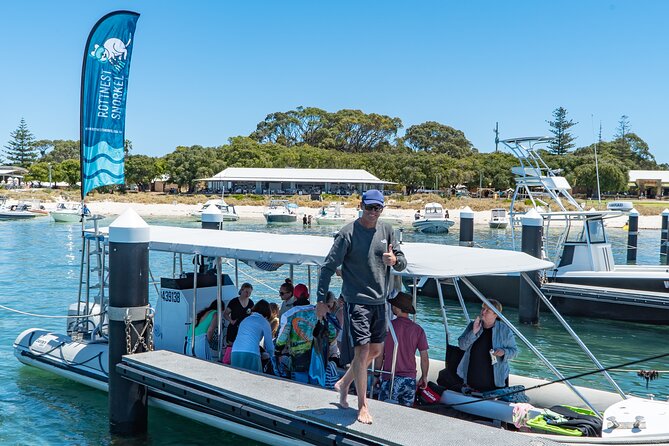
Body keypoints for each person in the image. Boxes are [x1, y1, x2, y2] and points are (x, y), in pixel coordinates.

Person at [316, 189, 407, 424]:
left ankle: (344, 382)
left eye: (378, 208)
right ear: (361, 205)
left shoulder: (387, 230)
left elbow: (402, 262)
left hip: (380, 302)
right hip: (356, 302)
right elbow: (327, 267)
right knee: (362, 352)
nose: (373, 213)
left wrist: (395, 261)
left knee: (376, 351)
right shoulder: (347, 233)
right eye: (369, 208)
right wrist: (319, 301)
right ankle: (363, 406)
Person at [374, 292, 428, 407]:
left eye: (394, 305)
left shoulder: (388, 327)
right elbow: (424, 358)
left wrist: (376, 375)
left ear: (397, 308)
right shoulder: (418, 330)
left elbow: (379, 355)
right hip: (410, 379)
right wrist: (424, 376)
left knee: (385, 411)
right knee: (405, 416)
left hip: (391, 378)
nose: (392, 307)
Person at [276, 284, 335, 383]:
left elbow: (282, 338)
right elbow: (332, 332)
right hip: (318, 357)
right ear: (308, 296)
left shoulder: (289, 314)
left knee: (302, 387)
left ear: (294, 297)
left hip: (298, 359)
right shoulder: (318, 311)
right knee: (317, 387)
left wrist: (277, 352)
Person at [457, 299, 518, 393]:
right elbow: (462, 346)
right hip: (472, 377)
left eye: (487, 311)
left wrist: (504, 352)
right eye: (483, 309)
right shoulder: (473, 325)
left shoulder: (505, 330)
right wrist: (473, 332)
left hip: (494, 379)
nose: (483, 312)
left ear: (496, 315)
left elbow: (514, 352)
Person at [231, 300, 275, 373]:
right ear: (267, 312)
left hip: (235, 351)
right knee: (254, 379)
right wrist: (271, 356)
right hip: (251, 352)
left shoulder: (245, 320)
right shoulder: (264, 322)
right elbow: (269, 345)